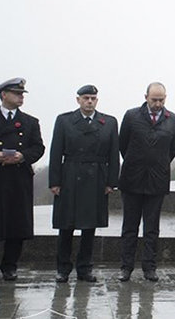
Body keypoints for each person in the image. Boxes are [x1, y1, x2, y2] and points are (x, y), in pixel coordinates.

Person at [49, 85, 119, 283]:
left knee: (89, 227)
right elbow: (56, 152)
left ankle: (84, 268)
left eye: (93, 98)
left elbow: (114, 154)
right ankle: (63, 268)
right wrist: (55, 182)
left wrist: (111, 182)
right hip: (70, 176)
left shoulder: (109, 122)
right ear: (78, 100)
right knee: (66, 225)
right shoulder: (64, 121)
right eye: (86, 98)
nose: (90, 101)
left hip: (96, 178)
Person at [118, 82, 175, 282]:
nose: (157, 104)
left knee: (152, 228)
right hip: (132, 179)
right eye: (154, 99)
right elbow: (123, 145)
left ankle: (149, 267)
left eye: (161, 100)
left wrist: (156, 164)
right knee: (130, 226)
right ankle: (126, 267)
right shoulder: (131, 116)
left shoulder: (174, 120)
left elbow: (173, 149)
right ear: (146, 96)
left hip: (157, 181)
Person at [0, 78, 45, 281]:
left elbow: (38, 147)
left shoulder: (30, 122)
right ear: (3, 95)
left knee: (16, 223)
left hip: (18, 178)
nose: (20, 97)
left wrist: (22, 156)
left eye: (22, 94)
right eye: (16, 93)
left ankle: (10, 265)